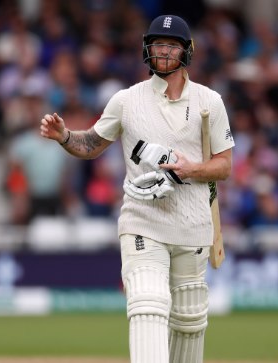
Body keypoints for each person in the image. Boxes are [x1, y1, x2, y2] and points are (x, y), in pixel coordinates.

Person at [40, 15, 234, 362]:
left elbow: (225, 165)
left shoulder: (210, 102)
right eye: (158, 44)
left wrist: (192, 169)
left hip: (193, 225)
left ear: (186, 51)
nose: (163, 51)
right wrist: (65, 136)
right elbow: (93, 144)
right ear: (147, 48)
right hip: (143, 221)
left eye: (171, 45)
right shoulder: (126, 100)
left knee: (189, 321)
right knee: (147, 303)